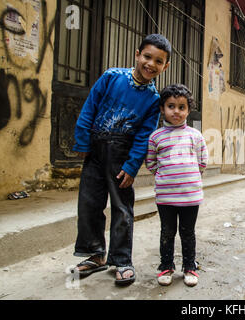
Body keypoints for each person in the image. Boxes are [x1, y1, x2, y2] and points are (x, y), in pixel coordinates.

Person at [71, 34, 171, 286]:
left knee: (122, 208)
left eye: (158, 61)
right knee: (89, 203)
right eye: (147, 57)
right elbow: (89, 109)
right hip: (95, 149)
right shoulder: (111, 77)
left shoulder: (153, 100)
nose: (150, 64)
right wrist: (83, 142)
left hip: (122, 154)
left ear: (165, 67)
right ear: (137, 54)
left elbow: (143, 136)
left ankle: (122, 259)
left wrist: (131, 165)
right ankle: (94, 254)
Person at [145, 84, 208, 287]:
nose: (176, 111)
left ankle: (189, 267)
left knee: (188, 232)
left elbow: (202, 161)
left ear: (188, 110)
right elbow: (151, 163)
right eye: (171, 106)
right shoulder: (156, 137)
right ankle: (166, 266)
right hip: (166, 197)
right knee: (167, 232)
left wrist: (188, 178)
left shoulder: (195, 136)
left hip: (190, 196)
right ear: (162, 109)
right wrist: (166, 177)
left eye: (182, 107)